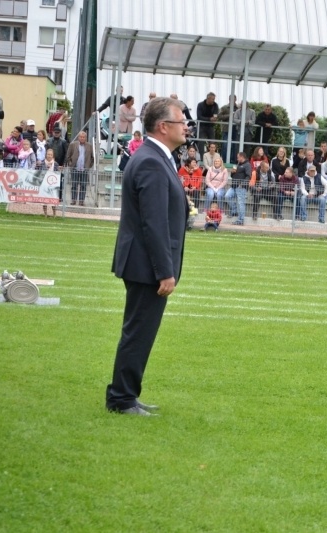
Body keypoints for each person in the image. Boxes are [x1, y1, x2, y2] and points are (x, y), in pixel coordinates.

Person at [107, 97, 189, 416]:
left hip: (142, 263)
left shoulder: (154, 156)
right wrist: (165, 272)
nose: (186, 127)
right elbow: (153, 223)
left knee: (138, 331)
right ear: (163, 126)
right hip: (146, 266)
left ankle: (126, 393)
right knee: (138, 333)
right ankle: (122, 398)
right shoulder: (152, 160)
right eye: (181, 121)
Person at [65, 131, 94, 206]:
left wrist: (89, 165)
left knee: (83, 185)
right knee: (74, 184)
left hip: (84, 169)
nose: (82, 138)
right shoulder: (73, 145)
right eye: (81, 137)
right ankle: (73, 200)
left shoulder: (89, 146)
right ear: (78, 137)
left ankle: (81, 201)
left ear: (86, 138)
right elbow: (68, 156)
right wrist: (71, 164)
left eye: (83, 137)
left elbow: (92, 157)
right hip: (75, 168)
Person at [225, 152, 251, 225]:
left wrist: (242, 184)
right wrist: (233, 172)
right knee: (227, 196)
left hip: (241, 187)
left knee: (240, 203)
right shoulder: (238, 164)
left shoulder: (247, 165)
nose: (237, 158)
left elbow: (248, 176)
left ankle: (240, 220)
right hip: (234, 186)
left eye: (238, 157)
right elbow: (233, 176)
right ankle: (234, 210)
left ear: (242, 157)